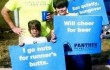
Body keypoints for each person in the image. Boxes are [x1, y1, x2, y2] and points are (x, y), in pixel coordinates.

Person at [52, 0, 92, 70]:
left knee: (81, 66)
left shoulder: (75, 16)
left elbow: (84, 30)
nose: (61, 9)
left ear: (66, 7)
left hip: (76, 48)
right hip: (63, 49)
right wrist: (53, 38)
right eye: (58, 7)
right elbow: (55, 36)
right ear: (55, 8)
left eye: (63, 7)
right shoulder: (55, 19)